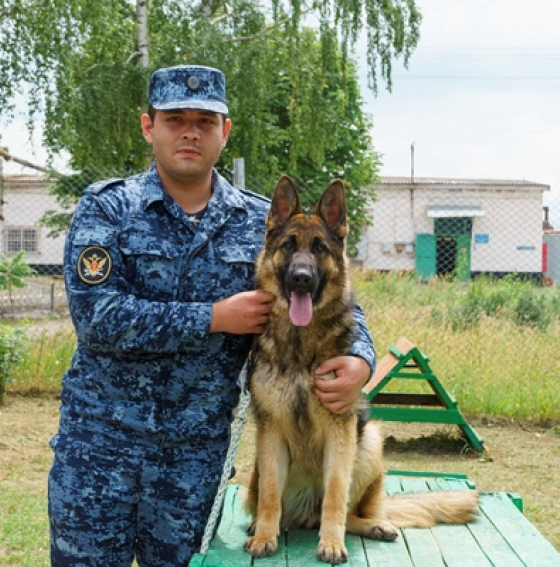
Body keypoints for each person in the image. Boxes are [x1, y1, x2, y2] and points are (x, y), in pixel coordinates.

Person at [48, 64, 377, 567]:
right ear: (148, 126)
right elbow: (97, 315)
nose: (189, 132)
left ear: (224, 131)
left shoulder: (261, 223)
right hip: (98, 448)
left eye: (205, 121)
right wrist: (213, 317)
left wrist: (360, 360)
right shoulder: (107, 209)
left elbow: (333, 297)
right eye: (174, 118)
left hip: (192, 461)